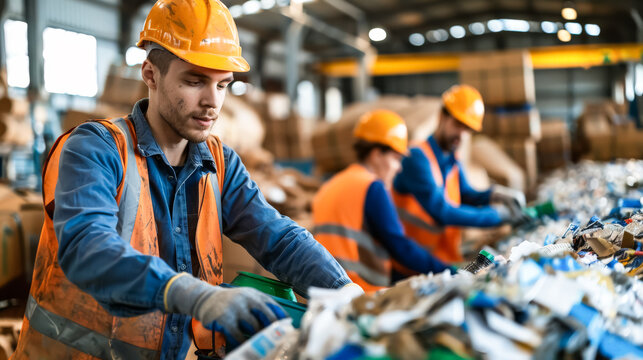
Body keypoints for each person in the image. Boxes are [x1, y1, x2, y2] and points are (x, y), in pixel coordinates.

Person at [12, 1, 356, 359]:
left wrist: (345, 292)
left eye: (223, 85)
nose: (212, 102)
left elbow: (278, 238)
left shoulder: (220, 163)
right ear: (150, 74)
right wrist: (196, 294)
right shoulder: (95, 149)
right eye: (195, 81)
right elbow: (87, 250)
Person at [312, 110, 453, 293]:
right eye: (395, 159)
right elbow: (401, 247)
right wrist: (450, 271)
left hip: (327, 289)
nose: (399, 167)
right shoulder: (371, 187)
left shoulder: (331, 185)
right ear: (377, 154)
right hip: (359, 291)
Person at [392, 84, 526, 267]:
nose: (462, 135)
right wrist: (499, 216)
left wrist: (496, 194)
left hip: (441, 259)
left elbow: (466, 194)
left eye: (468, 129)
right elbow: (442, 211)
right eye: (458, 125)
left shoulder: (452, 158)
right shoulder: (416, 157)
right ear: (441, 117)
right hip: (410, 264)